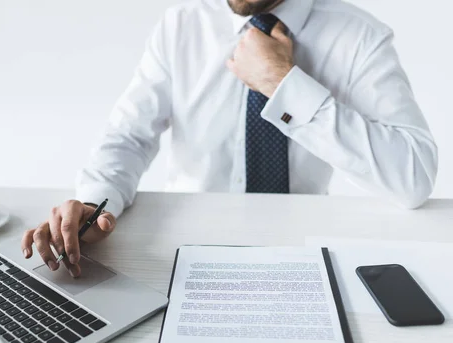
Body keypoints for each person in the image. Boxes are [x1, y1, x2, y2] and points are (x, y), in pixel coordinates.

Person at [22, 0, 438, 277]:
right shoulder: (181, 25)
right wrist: (95, 202)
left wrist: (284, 84)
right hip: (181, 252)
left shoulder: (360, 37)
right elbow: (129, 135)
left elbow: (413, 177)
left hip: (301, 254)